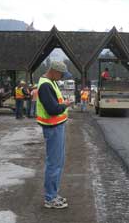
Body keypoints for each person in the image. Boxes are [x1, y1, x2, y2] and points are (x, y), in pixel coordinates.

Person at [36, 61, 73, 209]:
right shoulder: (46, 85)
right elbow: (52, 109)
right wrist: (66, 105)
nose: (62, 78)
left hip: (57, 126)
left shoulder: (51, 82)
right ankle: (50, 198)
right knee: (54, 164)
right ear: (54, 71)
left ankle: (53, 194)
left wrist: (63, 104)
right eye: (61, 75)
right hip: (53, 127)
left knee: (58, 162)